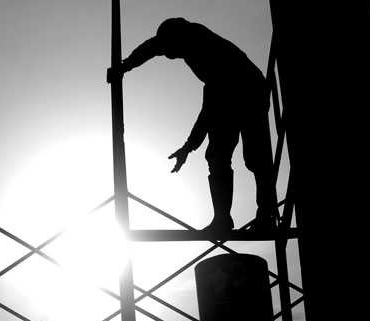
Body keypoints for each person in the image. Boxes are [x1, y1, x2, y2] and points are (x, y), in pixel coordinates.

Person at [107, 17, 277, 233]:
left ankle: (266, 215)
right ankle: (223, 218)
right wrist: (125, 66)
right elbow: (151, 47)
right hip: (227, 94)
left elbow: (209, 111)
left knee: (255, 157)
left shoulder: (204, 46)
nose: (172, 56)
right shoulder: (185, 42)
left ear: (177, 39)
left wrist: (189, 146)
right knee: (217, 155)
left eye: (171, 51)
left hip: (250, 92)